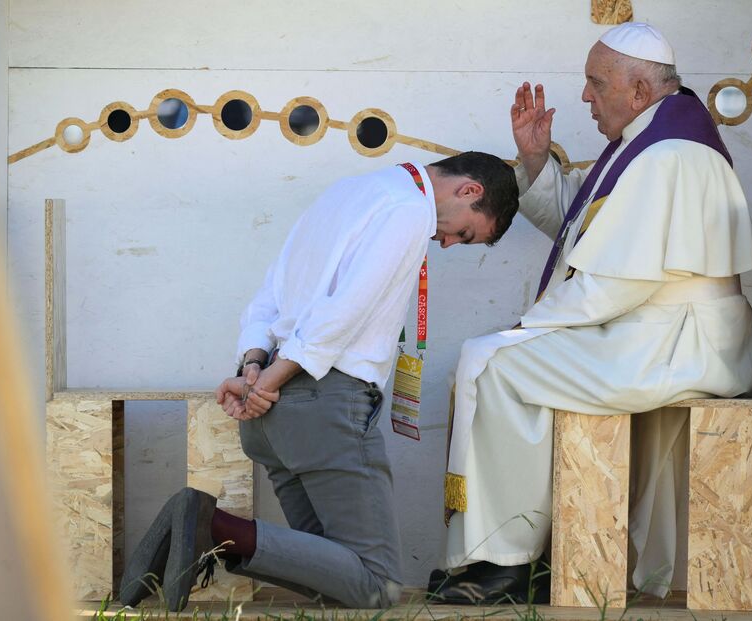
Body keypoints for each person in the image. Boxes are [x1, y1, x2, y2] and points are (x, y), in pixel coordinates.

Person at [431, 22, 752, 604]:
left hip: (675, 341)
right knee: (496, 358)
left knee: (496, 366)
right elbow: (588, 230)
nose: (585, 96)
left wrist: (526, 328)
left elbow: (617, 280)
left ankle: (507, 562)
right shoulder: (648, 140)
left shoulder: (670, 153)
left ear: (638, 90)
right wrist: (536, 161)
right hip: (656, 331)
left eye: (595, 83)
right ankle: (522, 553)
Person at [118, 151, 520, 611]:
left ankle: (205, 529)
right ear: (469, 190)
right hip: (325, 405)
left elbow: (272, 293)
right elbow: (345, 310)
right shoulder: (409, 209)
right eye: (464, 233)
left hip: (275, 415)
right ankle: (212, 528)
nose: (446, 243)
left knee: (330, 575)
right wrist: (269, 379)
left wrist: (253, 366)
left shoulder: (346, 191)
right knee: (377, 585)